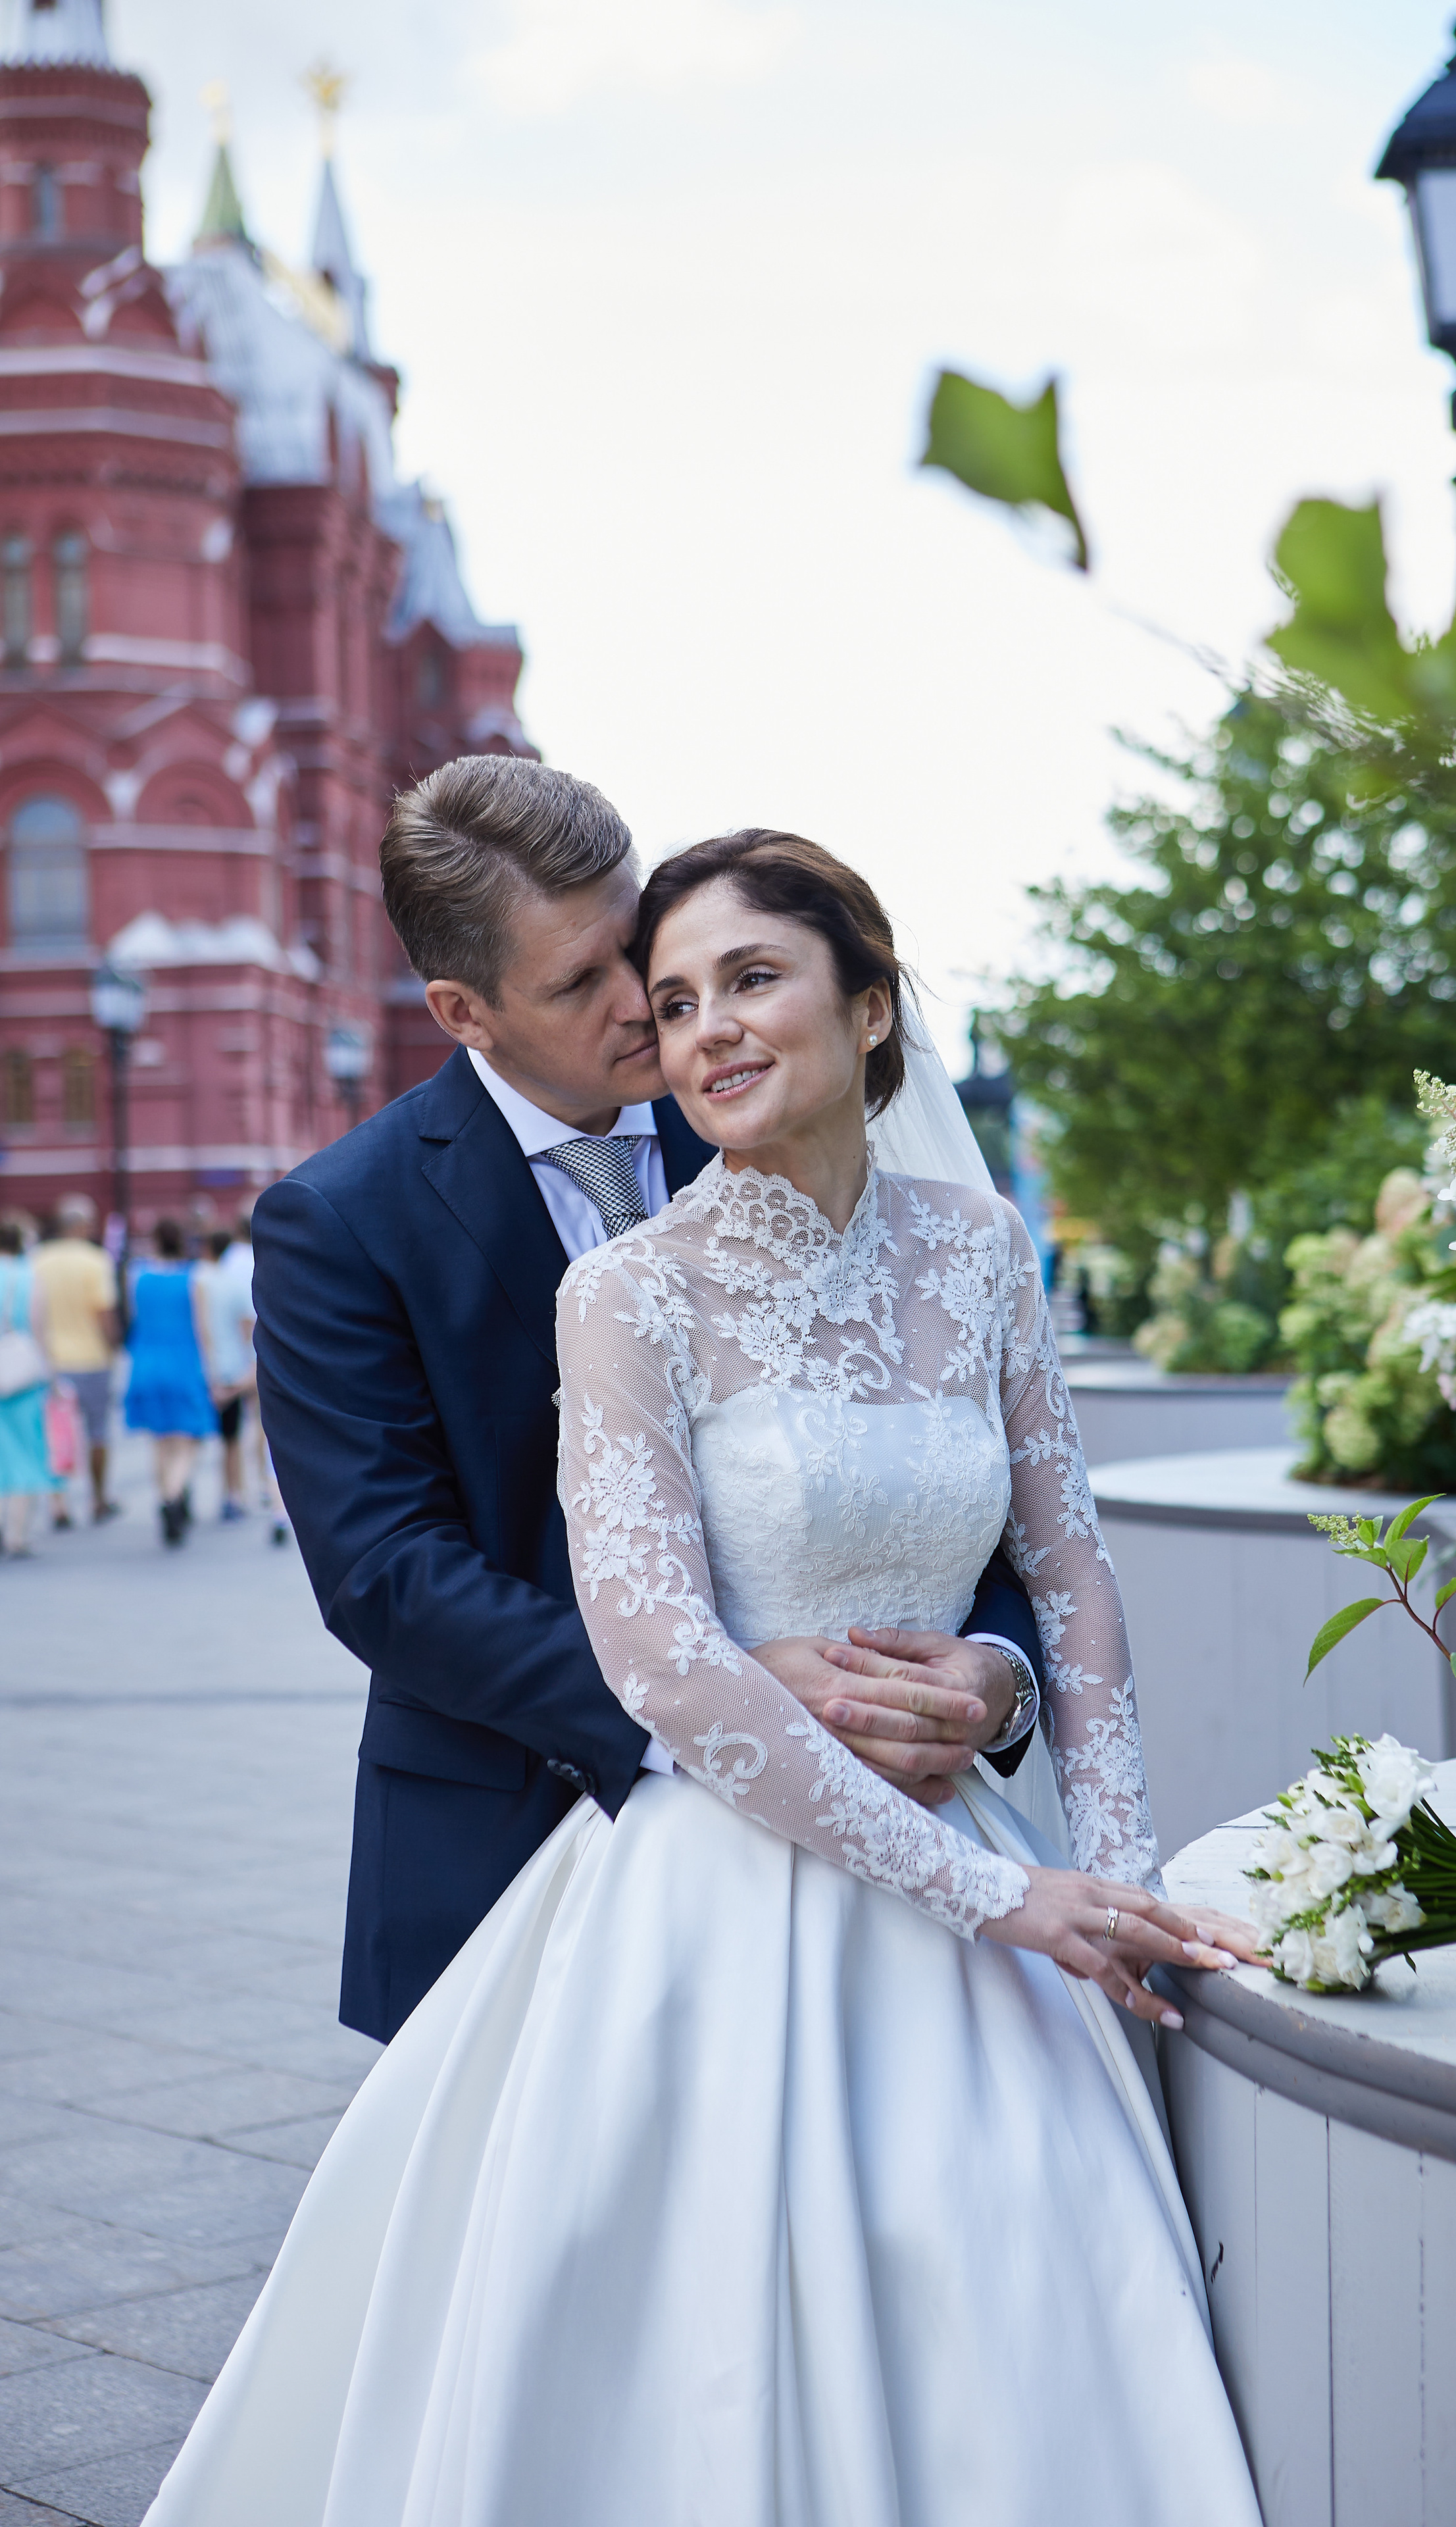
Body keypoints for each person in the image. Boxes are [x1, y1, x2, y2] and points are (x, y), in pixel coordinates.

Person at [145, 830, 1261, 2526]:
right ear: (465, 1008)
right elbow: (486, 1601)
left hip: (978, 1829)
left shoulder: (971, 1245)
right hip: (681, 1863)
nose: (674, 1027)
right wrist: (938, 1848)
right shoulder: (587, 1274)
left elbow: (1056, 1564)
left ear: (869, 1005)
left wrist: (1091, 1842)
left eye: (730, 979)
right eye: (649, 995)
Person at [248, 756, 1047, 2048]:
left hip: (889, 1825)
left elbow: (962, 1468)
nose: (646, 1006)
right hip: (511, 1828)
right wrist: (716, 1694)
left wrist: (995, 1669)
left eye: (637, 948)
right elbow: (387, 1575)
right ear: (464, 1010)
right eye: (580, 983)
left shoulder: (771, 1109)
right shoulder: (342, 1222)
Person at [124, 1219, 217, 1546]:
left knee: (160, 1441)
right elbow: (202, 1328)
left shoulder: (137, 1276)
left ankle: (166, 1495)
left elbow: (135, 1317)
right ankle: (174, 1497)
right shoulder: (194, 1278)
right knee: (188, 1440)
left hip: (146, 1360)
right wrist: (212, 1369)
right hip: (184, 1361)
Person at [32, 1191, 120, 1523]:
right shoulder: (95, 1260)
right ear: (82, 1225)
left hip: (51, 1360)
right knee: (97, 1432)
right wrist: (113, 1347)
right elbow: (104, 1313)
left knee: (56, 1433)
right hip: (92, 1358)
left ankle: (59, 1503)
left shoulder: (38, 1259)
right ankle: (98, 1498)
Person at [196, 1226, 257, 1519]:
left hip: (200, 1366)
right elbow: (247, 1327)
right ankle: (233, 1495)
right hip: (232, 1366)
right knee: (231, 1438)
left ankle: (178, 1492)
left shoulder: (196, 1280)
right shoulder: (233, 1283)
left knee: (184, 1439)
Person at [0, 1218, 52, 1557]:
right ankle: (15, 1534)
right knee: (24, 1453)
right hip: (19, 1373)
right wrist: (51, 1372)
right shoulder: (28, 1276)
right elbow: (38, 1328)